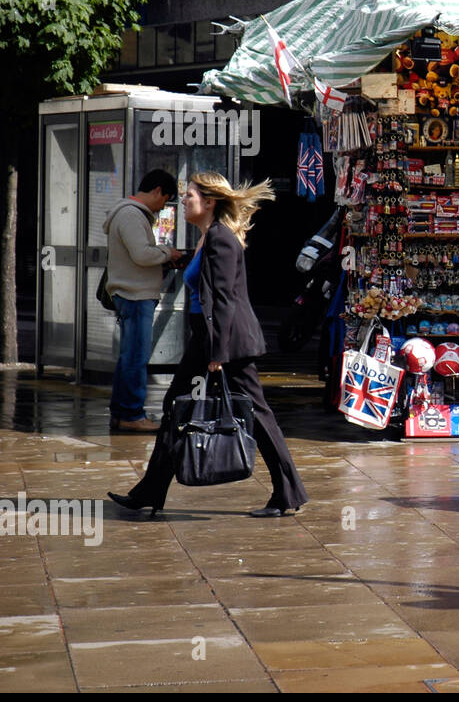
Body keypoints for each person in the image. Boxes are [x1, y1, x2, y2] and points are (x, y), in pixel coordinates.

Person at [108, 173, 309, 518]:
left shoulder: (221, 239)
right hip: (207, 338)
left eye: (189, 196)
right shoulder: (207, 237)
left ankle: (288, 492)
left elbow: (226, 301)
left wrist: (217, 352)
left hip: (227, 342)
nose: (183, 201)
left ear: (210, 202)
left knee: (257, 415)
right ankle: (150, 490)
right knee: (175, 407)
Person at [104, 170, 183, 432]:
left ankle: (121, 412)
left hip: (132, 294)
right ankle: (132, 414)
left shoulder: (128, 213)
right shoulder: (131, 215)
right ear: (158, 191)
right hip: (135, 294)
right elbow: (141, 254)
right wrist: (166, 252)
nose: (163, 207)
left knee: (129, 356)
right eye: (166, 200)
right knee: (136, 357)